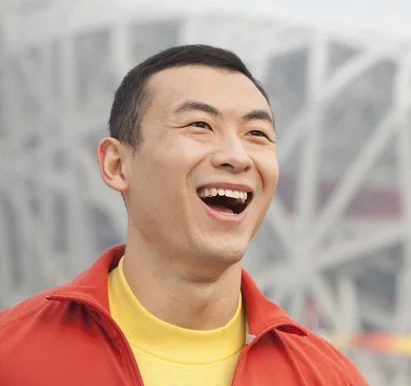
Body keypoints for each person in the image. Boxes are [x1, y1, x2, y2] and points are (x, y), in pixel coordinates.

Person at [0, 44, 368, 386]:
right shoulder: (12, 357)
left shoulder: (326, 377)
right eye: (200, 125)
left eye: (257, 133)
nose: (237, 156)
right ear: (117, 165)